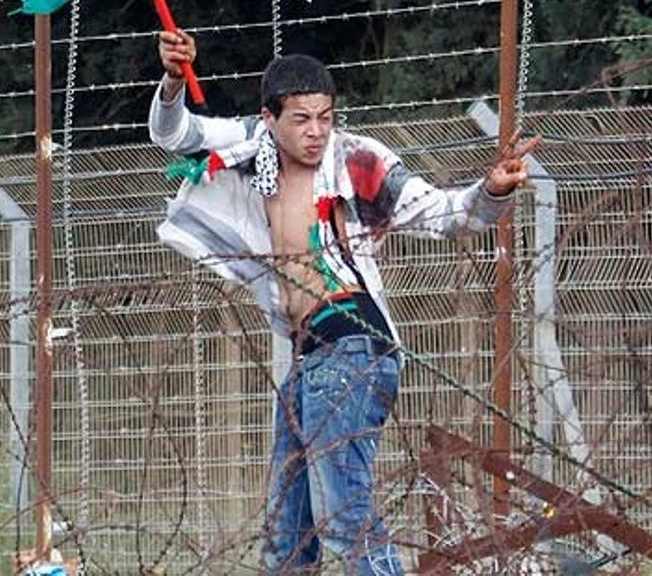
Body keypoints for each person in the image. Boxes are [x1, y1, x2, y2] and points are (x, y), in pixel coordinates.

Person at [150, 30, 534, 573]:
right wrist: (172, 80)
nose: (315, 132)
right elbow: (175, 132)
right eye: (302, 119)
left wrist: (492, 190)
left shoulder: (354, 158)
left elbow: (446, 214)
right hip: (309, 360)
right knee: (288, 536)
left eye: (325, 117)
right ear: (270, 119)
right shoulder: (246, 147)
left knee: (343, 519)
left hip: (353, 343)